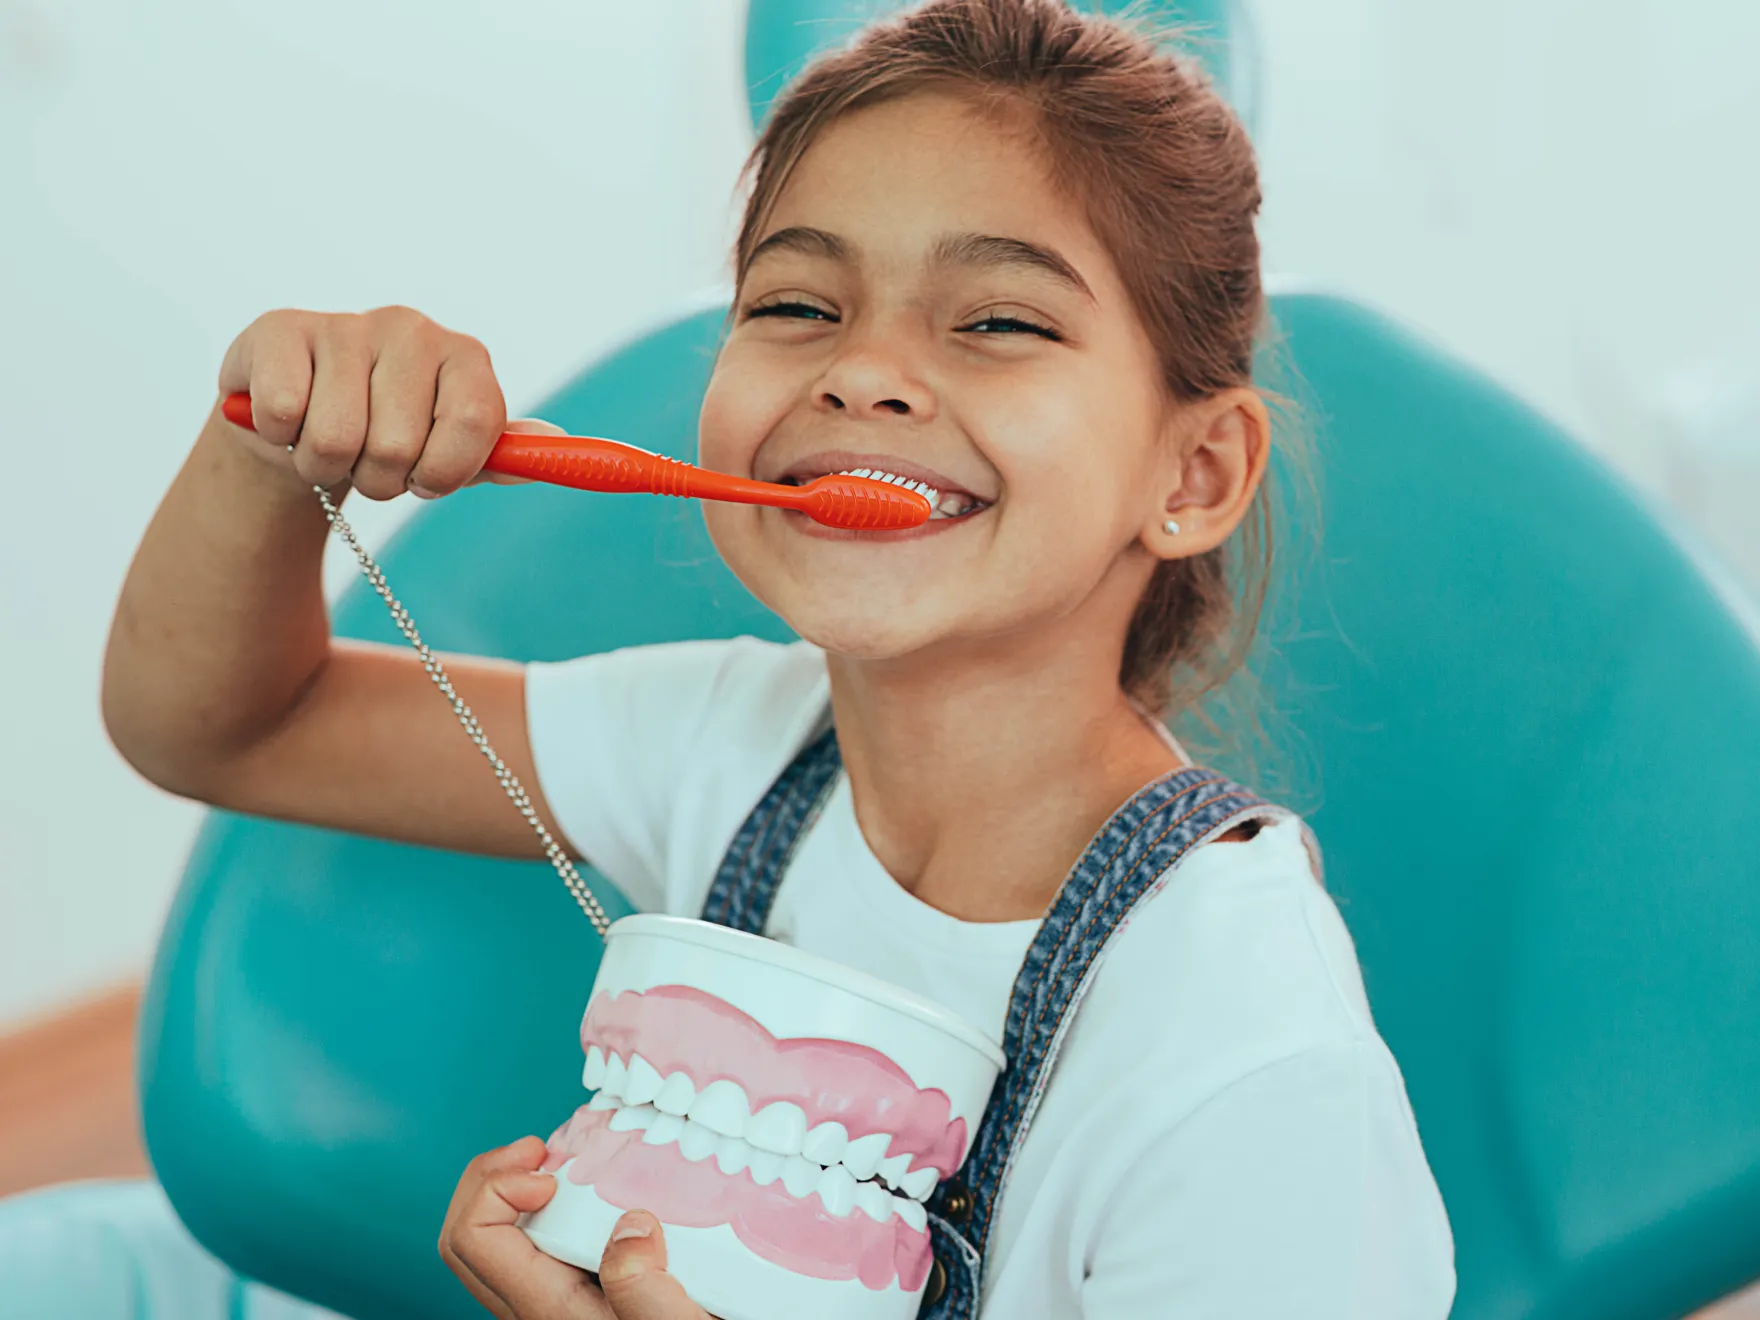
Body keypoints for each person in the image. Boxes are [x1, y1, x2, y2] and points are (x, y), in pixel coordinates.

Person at [101, 0, 1456, 1315]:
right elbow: (226, 727)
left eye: (998, 320)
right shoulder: (722, 744)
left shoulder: (1248, 1057)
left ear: (1196, 469)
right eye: (800, 303)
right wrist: (269, 447)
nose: (862, 373)